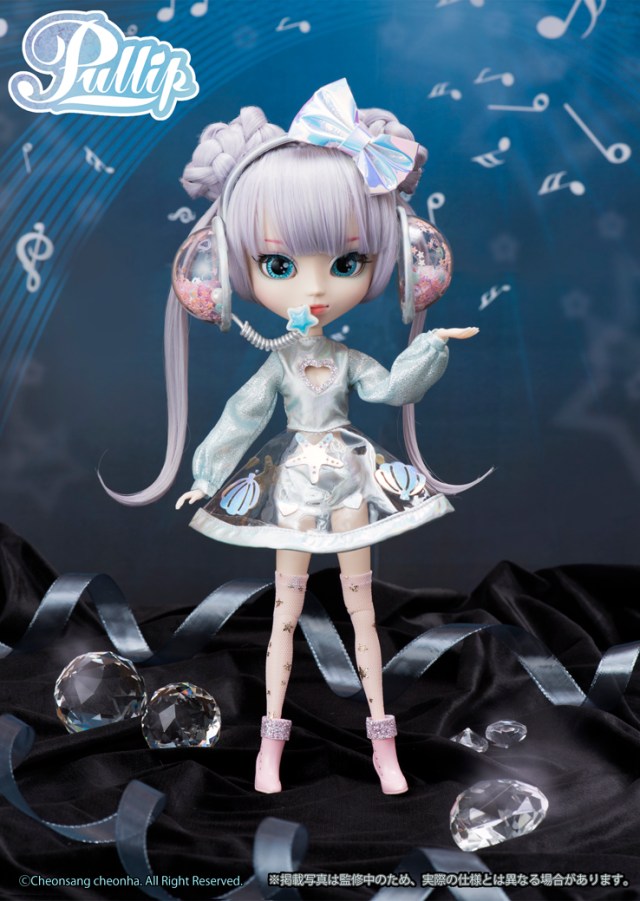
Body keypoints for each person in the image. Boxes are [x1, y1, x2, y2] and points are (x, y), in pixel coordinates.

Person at [104, 79, 485, 795]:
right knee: (283, 613)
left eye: (346, 264)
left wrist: (430, 349)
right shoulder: (278, 361)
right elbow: (241, 416)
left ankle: (383, 743)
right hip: (293, 482)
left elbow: (389, 390)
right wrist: (205, 475)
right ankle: (269, 745)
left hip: (350, 473)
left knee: (362, 610)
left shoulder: (348, 359)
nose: (314, 289)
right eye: (279, 265)